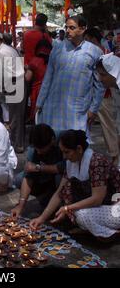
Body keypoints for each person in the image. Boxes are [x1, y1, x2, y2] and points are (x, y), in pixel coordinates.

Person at [29, 130, 120, 240]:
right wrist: (42, 218)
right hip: (104, 207)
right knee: (76, 212)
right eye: (62, 152)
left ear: (79, 149)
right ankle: (93, 229)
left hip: (115, 206)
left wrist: (67, 208)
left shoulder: (96, 162)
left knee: (81, 215)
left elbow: (97, 199)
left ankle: (110, 233)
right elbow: (60, 193)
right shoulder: (72, 162)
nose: (64, 156)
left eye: (67, 152)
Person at [36, 15, 105, 132]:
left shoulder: (94, 52)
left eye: (72, 28)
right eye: (66, 27)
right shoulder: (57, 49)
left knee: (75, 147)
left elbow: (100, 85)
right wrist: (40, 103)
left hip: (78, 112)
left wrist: (93, 109)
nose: (67, 31)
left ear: (82, 29)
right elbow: (48, 77)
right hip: (53, 108)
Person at [11, 124, 65, 218]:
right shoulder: (33, 149)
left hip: (64, 179)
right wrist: (21, 205)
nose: (39, 152)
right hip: (45, 178)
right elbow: (28, 177)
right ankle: (46, 197)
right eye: (37, 149)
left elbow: (66, 167)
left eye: (41, 149)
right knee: (19, 179)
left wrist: (38, 167)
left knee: (59, 177)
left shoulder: (64, 140)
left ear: (52, 140)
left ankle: (61, 203)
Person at [84, 28, 120, 165]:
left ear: (93, 38)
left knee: (108, 126)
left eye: (86, 38)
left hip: (104, 97)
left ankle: (115, 155)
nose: (100, 78)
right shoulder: (98, 53)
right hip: (93, 97)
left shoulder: (104, 55)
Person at [0, 31, 26, 153]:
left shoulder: (2, 52)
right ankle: (17, 143)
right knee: (16, 116)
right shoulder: (8, 49)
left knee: (15, 117)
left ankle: (17, 145)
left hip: (15, 84)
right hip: (16, 83)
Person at [25, 38, 52, 121]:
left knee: (38, 117)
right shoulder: (53, 60)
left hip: (37, 92)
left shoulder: (34, 61)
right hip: (51, 91)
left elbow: (27, 78)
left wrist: (25, 69)